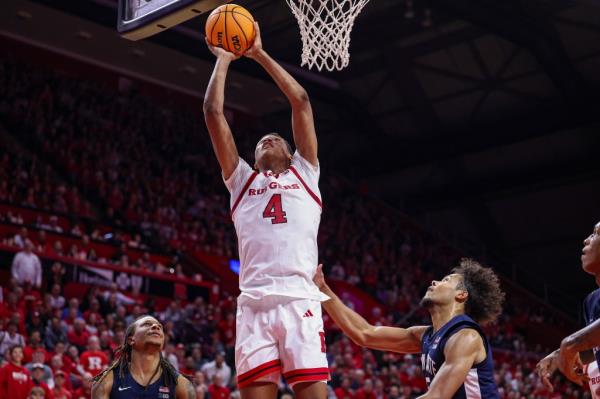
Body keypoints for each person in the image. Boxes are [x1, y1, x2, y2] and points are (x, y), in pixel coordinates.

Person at [203, 20, 328, 399]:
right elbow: (212, 112)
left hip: (299, 299)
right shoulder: (241, 181)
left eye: (275, 137)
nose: (268, 139)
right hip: (254, 303)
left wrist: (258, 53)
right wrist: (224, 58)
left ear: (291, 153)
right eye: (260, 141)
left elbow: (301, 101)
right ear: (254, 159)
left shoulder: (306, 172)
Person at [313, 259, 505, 399]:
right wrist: (323, 290)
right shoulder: (426, 335)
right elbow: (365, 334)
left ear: (462, 295)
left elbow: (436, 396)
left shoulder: (466, 336)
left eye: (446, 280)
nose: (434, 282)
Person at [536, 221, 600, 391]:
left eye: (596, 234)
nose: (586, 240)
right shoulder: (592, 301)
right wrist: (559, 355)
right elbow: (594, 347)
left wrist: (569, 346)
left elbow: (574, 344)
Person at [90, 315, 195, 398]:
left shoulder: (181, 385)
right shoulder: (106, 381)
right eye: (147, 324)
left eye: (160, 326)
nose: (156, 326)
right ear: (131, 340)